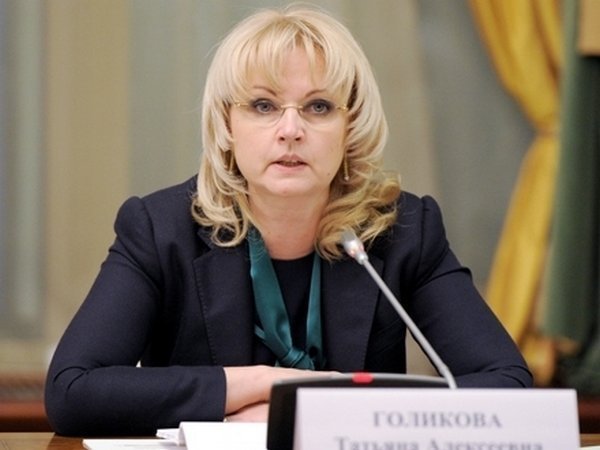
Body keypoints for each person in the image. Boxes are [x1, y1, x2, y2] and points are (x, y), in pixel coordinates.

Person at [44, 5, 532, 437]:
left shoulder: (403, 231)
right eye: (263, 106)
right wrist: (266, 384)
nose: (291, 130)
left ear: (350, 127)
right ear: (227, 125)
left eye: (319, 107)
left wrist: (326, 410)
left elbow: (507, 385)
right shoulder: (161, 230)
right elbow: (73, 392)